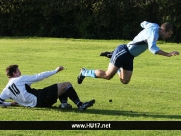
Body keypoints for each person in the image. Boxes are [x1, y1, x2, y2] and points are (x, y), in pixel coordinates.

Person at [77, 21, 179, 84]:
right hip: (123, 51)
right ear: (164, 31)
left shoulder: (154, 26)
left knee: (125, 81)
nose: (169, 37)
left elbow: (143, 23)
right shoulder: (153, 35)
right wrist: (168, 54)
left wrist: (145, 31)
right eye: (169, 34)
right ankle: (84, 72)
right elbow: (152, 49)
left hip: (130, 56)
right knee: (108, 75)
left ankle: (116, 62)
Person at [0, 65, 95, 111]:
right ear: (14, 74)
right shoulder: (19, 79)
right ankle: (80, 105)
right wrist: (55, 71)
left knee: (60, 87)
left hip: (37, 104)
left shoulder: (6, 90)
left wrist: (9, 104)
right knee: (66, 85)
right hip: (40, 98)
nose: (20, 73)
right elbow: (39, 76)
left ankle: (64, 105)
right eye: (18, 71)